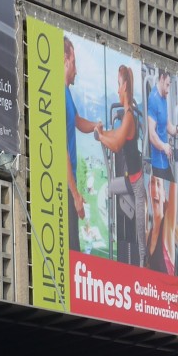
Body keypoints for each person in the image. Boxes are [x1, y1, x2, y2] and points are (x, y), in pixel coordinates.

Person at [95, 65, 146, 266]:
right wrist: (102, 133)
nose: (117, 90)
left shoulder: (129, 117)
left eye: (118, 84)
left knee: (141, 238)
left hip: (137, 184)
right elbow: (115, 135)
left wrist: (101, 137)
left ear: (124, 86)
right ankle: (114, 237)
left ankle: (142, 265)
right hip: (129, 181)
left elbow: (116, 145)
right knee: (110, 188)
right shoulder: (126, 117)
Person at [64, 38, 98, 253]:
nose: (76, 70)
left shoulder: (67, 93)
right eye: (74, 62)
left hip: (70, 182)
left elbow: (77, 121)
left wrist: (96, 126)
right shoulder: (58, 92)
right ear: (65, 60)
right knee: (71, 250)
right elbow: (63, 152)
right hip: (65, 185)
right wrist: (75, 194)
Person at [145, 71, 177, 275]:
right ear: (160, 80)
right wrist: (164, 146)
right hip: (158, 161)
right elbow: (152, 134)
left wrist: (177, 130)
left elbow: (167, 126)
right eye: (167, 84)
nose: (168, 88)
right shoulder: (153, 99)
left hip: (166, 161)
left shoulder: (164, 99)